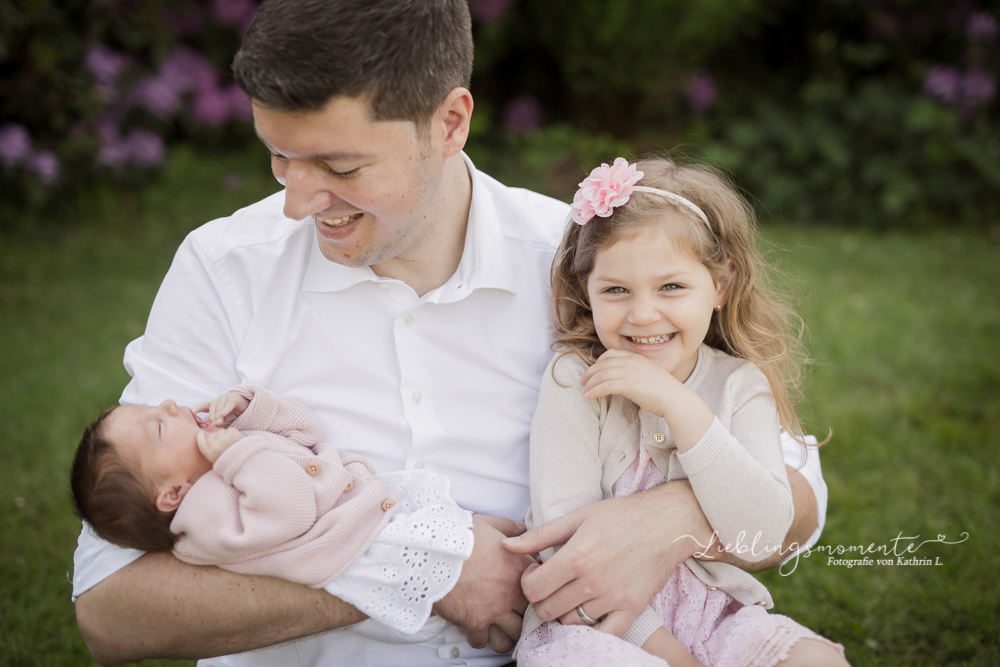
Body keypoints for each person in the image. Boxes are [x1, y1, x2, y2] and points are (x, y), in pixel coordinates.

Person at [71, 1, 830, 665]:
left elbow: (796, 498)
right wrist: (424, 571)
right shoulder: (224, 268)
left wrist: (667, 517)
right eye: (279, 157)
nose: (299, 200)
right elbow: (110, 609)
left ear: (451, 122)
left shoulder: (591, 265)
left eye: (339, 163)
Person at [507, 157, 846, 667]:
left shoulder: (738, 384)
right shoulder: (574, 380)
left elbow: (761, 532)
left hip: (716, 617)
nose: (643, 314)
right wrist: (670, 655)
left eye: (671, 287)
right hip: (593, 627)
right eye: (616, 290)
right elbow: (566, 545)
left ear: (720, 288)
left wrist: (679, 404)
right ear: (586, 291)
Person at [71, 384, 476, 640]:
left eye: (154, 407)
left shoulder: (221, 455)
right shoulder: (205, 518)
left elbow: (307, 433)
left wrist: (249, 411)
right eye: (158, 426)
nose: (170, 405)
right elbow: (293, 509)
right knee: (498, 563)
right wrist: (237, 454)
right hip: (370, 546)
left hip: (374, 511)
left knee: (508, 545)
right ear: (173, 493)